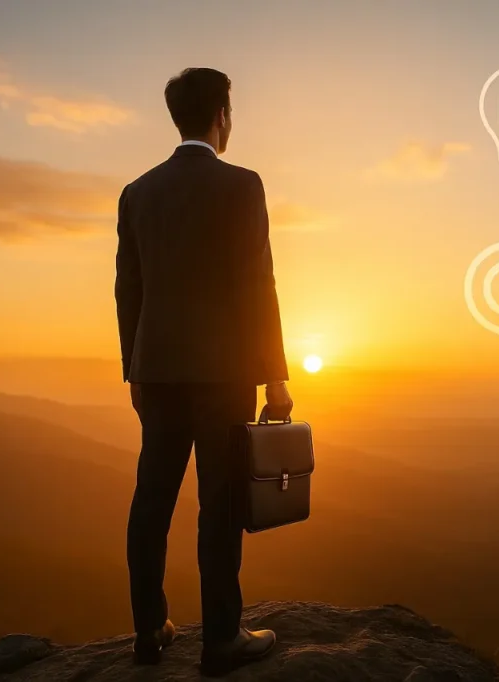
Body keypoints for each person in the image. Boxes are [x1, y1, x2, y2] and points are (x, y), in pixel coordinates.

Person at [114, 67, 292, 676]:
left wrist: (132, 370)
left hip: (155, 373)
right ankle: (220, 638)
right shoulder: (242, 186)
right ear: (222, 116)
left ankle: (148, 629)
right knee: (218, 501)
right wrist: (277, 376)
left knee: (152, 497)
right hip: (224, 372)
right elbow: (257, 284)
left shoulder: (137, 192)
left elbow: (127, 290)